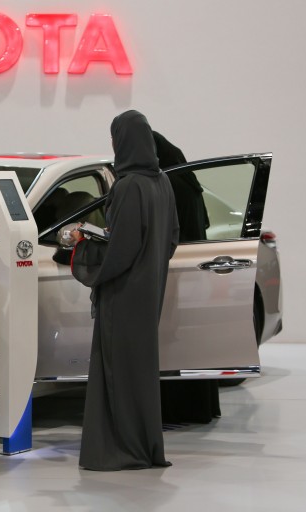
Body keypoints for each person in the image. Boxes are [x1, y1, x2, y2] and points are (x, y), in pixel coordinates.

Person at [69, 110, 179, 471]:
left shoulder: (129, 185)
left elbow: (121, 250)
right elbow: (170, 238)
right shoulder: (162, 182)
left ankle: (121, 449)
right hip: (149, 291)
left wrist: (86, 248)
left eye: (114, 137)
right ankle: (145, 446)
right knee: (139, 371)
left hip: (124, 294)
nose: (113, 144)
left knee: (117, 371)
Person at [152, 131, 221, 424]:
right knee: (192, 341)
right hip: (193, 271)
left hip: (174, 271)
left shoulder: (168, 184)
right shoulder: (189, 184)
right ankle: (199, 406)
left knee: (170, 340)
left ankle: (178, 409)